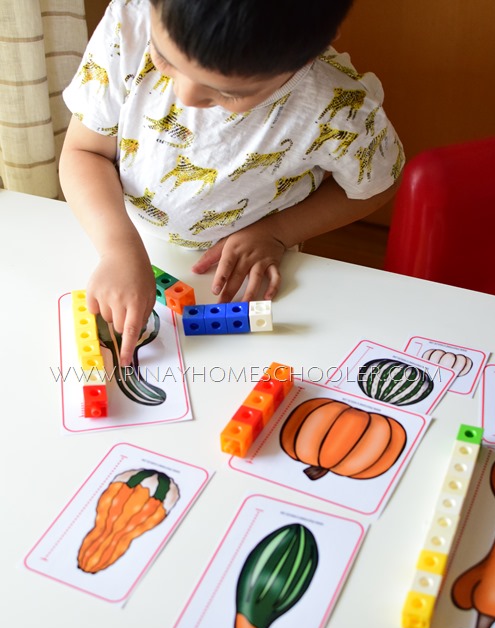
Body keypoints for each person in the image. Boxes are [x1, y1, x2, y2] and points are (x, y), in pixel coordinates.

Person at [59, 0, 404, 365]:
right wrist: (118, 249)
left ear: (307, 54)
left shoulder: (338, 107)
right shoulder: (131, 22)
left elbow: (377, 184)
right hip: (111, 227)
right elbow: (85, 152)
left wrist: (278, 231)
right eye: (163, 57)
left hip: (249, 262)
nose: (185, 95)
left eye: (227, 92)